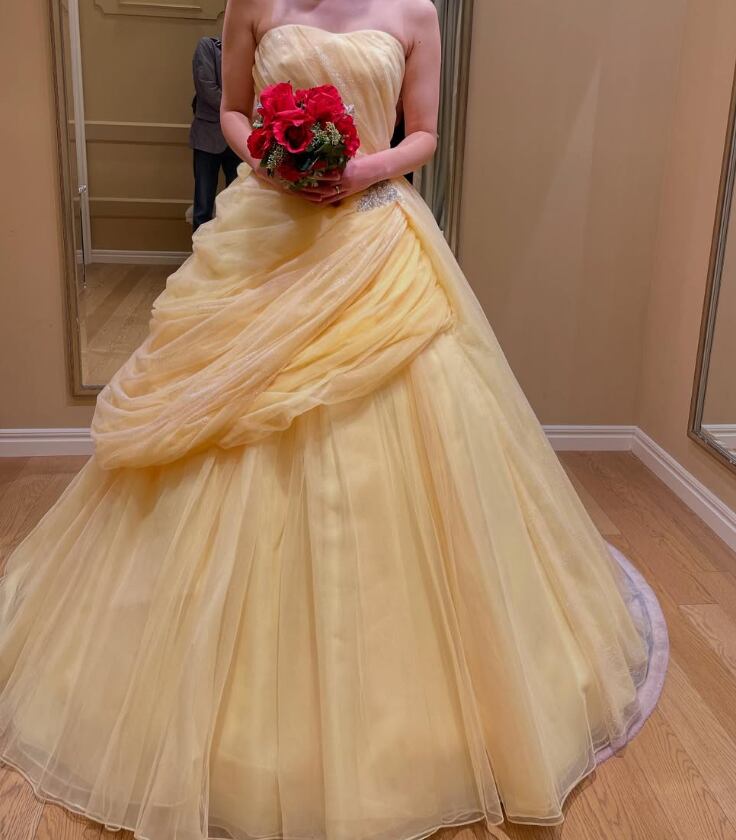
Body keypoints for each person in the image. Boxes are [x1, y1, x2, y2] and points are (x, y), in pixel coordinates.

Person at [0, 2, 668, 839]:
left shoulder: (416, 11)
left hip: (374, 232)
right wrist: (268, 157)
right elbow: (231, 110)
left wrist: (363, 171)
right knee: (223, 429)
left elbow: (425, 133)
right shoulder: (255, 3)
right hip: (266, 234)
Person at [189, 34, 241, 230]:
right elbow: (206, 88)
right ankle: (199, 249)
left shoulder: (247, 52)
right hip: (208, 137)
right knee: (203, 207)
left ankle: (230, 248)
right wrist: (238, 108)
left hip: (238, 139)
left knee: (236, 206)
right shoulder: (208, 46)